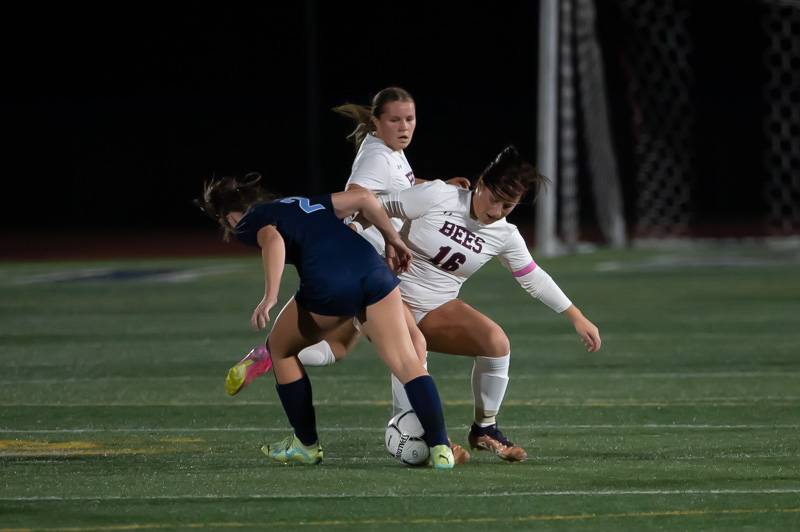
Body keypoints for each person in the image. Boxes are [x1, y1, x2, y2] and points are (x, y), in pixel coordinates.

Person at [196, 173, 456, 469]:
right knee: (407, 362)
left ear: (227, 217)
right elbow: (363, 199)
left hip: (331, 282)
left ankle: (305, 445)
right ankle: (440, 448)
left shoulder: (247, 220)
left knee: (280, 350)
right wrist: (392, 238)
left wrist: (270, 295)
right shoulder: (300, 203)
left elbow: (272, 239)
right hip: (373, 271)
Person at [373, 145, 602, 462]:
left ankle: (485, 428)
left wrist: (576, 316)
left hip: (436, 306)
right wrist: (379, 244)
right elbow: (375, 206)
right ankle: (427, 434)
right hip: (385, 295)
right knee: (412, 345)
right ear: (479, 183)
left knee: (496, 342)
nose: (496, 210)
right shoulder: (440, 196)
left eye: (507, 205)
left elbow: (533, 277)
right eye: (493, 198)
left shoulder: (505, 235)